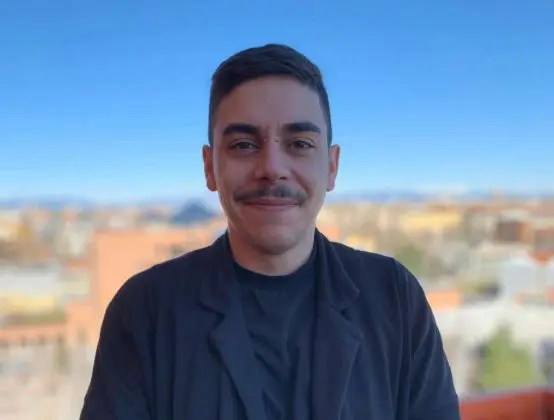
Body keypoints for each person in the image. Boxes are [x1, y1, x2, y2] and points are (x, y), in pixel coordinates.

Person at [80, 44, 460, 420]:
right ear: (210, 167)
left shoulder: (394, 298)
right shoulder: (146, 312)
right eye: (244, 145)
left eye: (299, 144)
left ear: (331, 167)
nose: (272, 168)